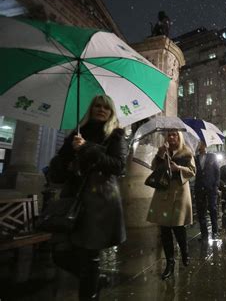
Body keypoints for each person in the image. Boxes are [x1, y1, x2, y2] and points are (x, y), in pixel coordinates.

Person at [50, 95, 127, 300]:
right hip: (74, 198)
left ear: (111, 112)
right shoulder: (77, 133)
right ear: (91, 109)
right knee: (60, 253)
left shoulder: (115, 135)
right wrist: (67, 156)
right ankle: (95, 279)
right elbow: (59, 166)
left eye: (106, 107)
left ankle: (90, 288)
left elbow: (118, 166)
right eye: (97, 106)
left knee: (90, 254)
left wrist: (87, 148)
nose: (101, 110)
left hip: (99, 200)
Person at [146, 130, 196, 280]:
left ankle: (185, 252)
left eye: (174, 134)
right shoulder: (163, 151)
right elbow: (154, 167)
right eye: (169, 135)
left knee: (179, 227)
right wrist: (160, 154)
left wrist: (178, 169)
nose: (171, 137)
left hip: (180, 193)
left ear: (179, 137)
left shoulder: (186, 152)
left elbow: (193, 171)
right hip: (163, 193)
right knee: (165, 229)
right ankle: (170, 263)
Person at [194, 141, 220, 240]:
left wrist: (216, 185)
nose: (201, 146)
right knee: (201, 211)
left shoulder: (212, 156)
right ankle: (204, 233)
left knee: (213, 209)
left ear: (205, 146)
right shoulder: (195, 158)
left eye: (202, 144)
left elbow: (217, 171)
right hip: (199, 187)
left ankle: (215, 231)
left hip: (211, 187)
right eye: (199, 145)